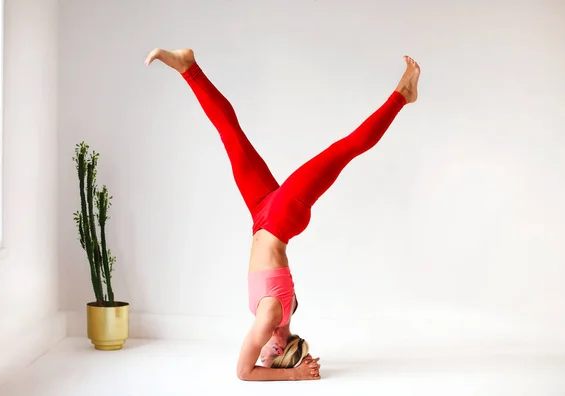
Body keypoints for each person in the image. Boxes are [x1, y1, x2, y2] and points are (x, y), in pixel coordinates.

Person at [144, 48, 420, 381]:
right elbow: (244, 373)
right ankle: (402, 96)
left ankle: (189, 68)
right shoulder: (272, 316)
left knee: (231, 135)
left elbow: (261, 356)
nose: (258, 349)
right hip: (281, 218)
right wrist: (294, 374)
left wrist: (296, 363)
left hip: (262, 214)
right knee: (343, 150)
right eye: (267, 353)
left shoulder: (276, 316)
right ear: (276, 351)